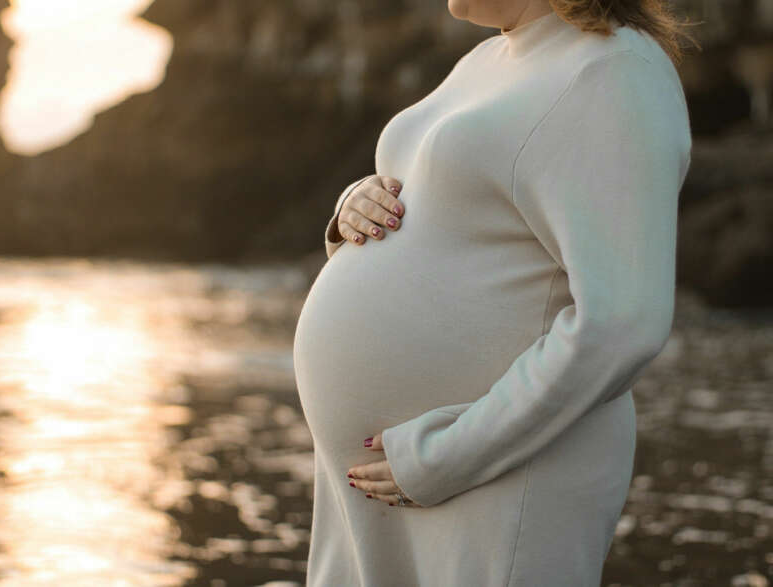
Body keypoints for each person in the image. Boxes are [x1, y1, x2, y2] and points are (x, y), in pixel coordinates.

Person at [292, 0, 695, 585]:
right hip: (380, 478)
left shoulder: (614, 71)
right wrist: (355, 208)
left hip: (495, 476)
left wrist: (443, 459)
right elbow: (455, 212)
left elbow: (623, 323)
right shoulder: (490, 57)